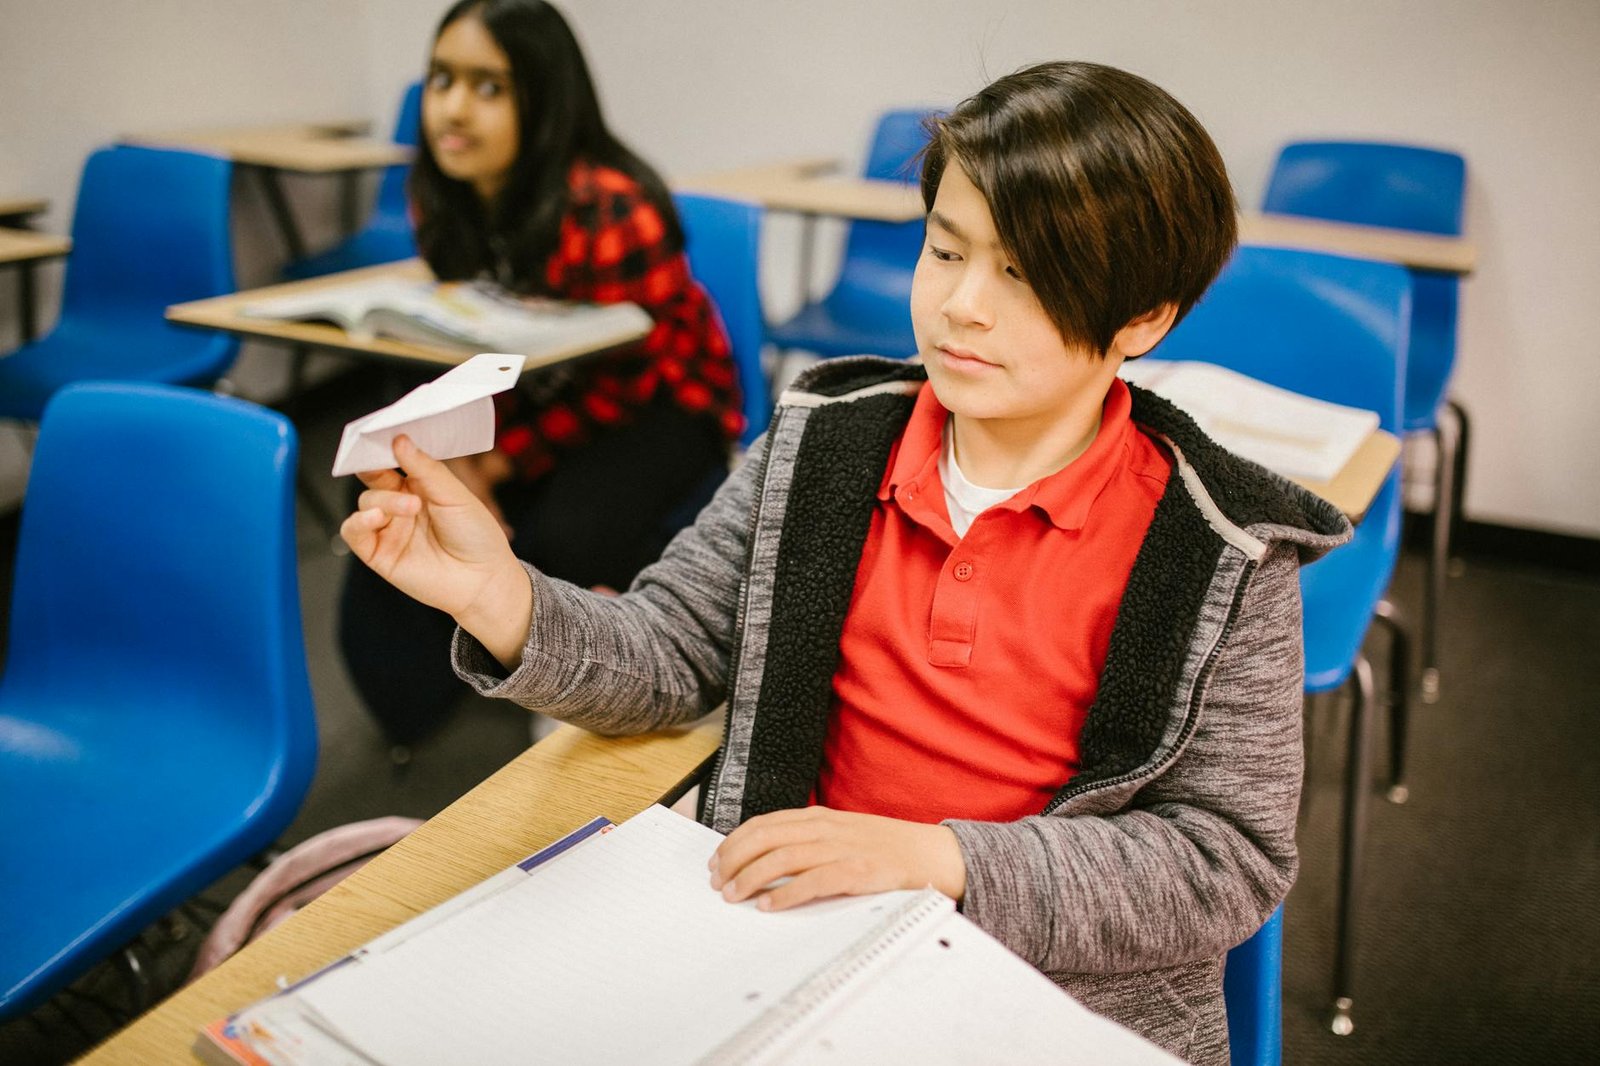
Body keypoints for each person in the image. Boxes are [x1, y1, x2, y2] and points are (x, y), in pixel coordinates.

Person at [341, 60, 1352, 1064]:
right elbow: (670, 649)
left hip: (1050, 1000)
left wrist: (940, 858)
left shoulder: (1219, 548)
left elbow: (1225, 858)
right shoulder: (824, 445)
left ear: (1143, 318)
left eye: (1024, 274)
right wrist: (499, 593)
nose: (962, 306)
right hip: (791, 948)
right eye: (945, 251)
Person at [338, 0, 743, 748]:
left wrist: (494, 463)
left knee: (568, 530)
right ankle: (424, 707)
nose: (453, 108)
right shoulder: (442, 193)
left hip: (661, 402)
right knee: (387, 483)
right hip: (537, 394)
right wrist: (457, 457)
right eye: (441, 80)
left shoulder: (616, 208)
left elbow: (627, 382)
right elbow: (477, 342)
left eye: (489, 87)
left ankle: (602, 674)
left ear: (546, 97)